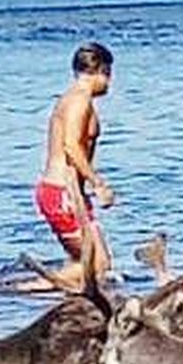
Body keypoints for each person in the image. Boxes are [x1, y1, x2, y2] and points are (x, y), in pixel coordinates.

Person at [35, 42, 115, 289]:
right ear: (101, 71)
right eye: (109, 76)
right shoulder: (79, 100)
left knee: (89, 263)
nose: (110, 85)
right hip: (62, 192)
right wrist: (97, 182)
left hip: (70, 193)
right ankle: (23, 290)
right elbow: (71, 145)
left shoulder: (75, 99)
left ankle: (56, 296)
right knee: (97, 265)